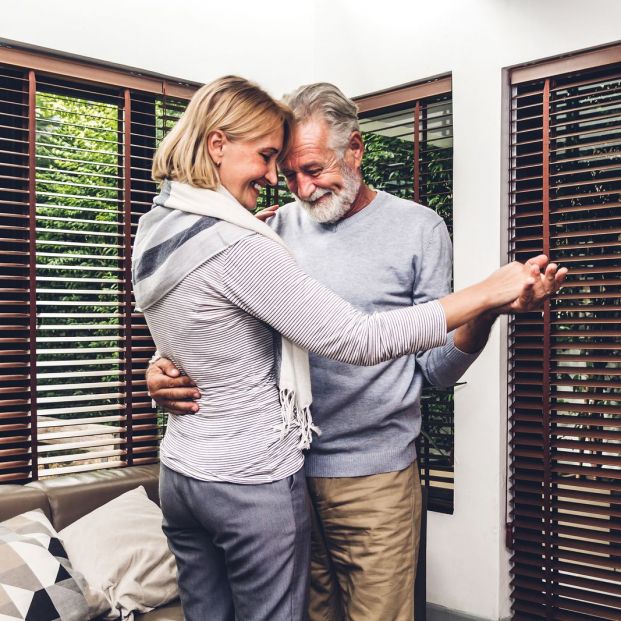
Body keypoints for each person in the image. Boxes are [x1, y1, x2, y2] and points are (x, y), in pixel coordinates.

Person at [139, 78, 565, 621]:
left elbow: (433, 372)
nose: (299, 186)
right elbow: (218, 321)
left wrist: (483, 311)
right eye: (287, 170)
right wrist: (164, 369)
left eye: (313, 169)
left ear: (355, 149)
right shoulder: (262, 231)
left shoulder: (418, 228)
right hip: (284, 472)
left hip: (373, 478)